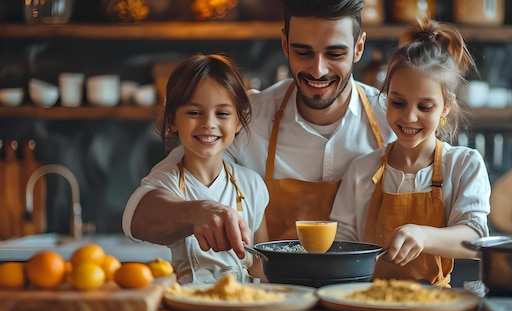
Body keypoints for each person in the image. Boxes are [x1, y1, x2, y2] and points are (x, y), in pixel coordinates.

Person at [122, 0, 395, 262]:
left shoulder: (396, 122)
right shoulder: (249, 118)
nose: (318, 69)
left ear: (359, 48)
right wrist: (197, 211)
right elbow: (139, 215)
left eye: (335, 53)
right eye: (303, 52)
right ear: (285, 45)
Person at [329, 17, 491, 287]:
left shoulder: (463, 164)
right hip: (369, 299)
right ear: (386, 96)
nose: (409, 117)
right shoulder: (362, 169)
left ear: (446, 107)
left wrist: (424, 237)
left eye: (425, 107)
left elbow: (475, 241)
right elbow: (341, 243)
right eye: (398, 102)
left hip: (434, 303)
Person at [131, 53, 268, 284]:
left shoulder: (252, 185)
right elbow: (137, 220)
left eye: (222, 113)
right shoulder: (164, 183)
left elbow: (260, 266)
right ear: (173, 119)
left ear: (237, 121)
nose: (208, 123)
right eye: (194, 113)